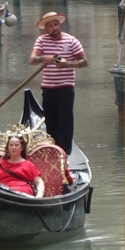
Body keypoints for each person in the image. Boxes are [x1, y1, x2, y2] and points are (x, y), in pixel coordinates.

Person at [27, 11, 85, 154]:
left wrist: (68, 64)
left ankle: (65, 153)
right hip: (48, 88)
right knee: (51, 121)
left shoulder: (71, 41)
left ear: (60, 25)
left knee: (65, 121)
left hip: (65, 87)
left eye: (56, 24)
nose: (54, 28)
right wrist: (44, 58)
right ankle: (53, 150)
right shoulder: (41, 40)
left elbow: (84, 62)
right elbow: (32, 59)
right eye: (50, 26)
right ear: (46, 29)